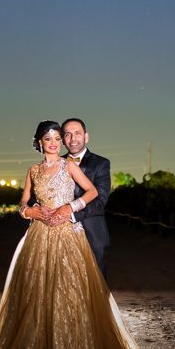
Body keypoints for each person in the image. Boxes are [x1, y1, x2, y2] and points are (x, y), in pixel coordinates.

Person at [0, 121, 142, 349]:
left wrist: (70, 208)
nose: (55, 142)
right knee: (38, 290)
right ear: (39, 143)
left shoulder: (71, 166)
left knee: (74, 290)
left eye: (58, 137)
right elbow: (22, 204)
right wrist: (30, 211)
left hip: (69, 234)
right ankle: (40, 348)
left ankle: (79, 348)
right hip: (39, 235)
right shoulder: (33, 171)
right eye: (49, 138)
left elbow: (93, 193)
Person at [47, 118, 112, 278]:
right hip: (59, 232)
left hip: (92, 231)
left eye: (77, 133)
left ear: (86, 136)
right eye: (67, 134)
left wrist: (71, 213)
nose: (73, 138)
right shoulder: (55, 163)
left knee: (95, 282)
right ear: (63, 140)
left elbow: (100, 199)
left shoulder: (101, 163)